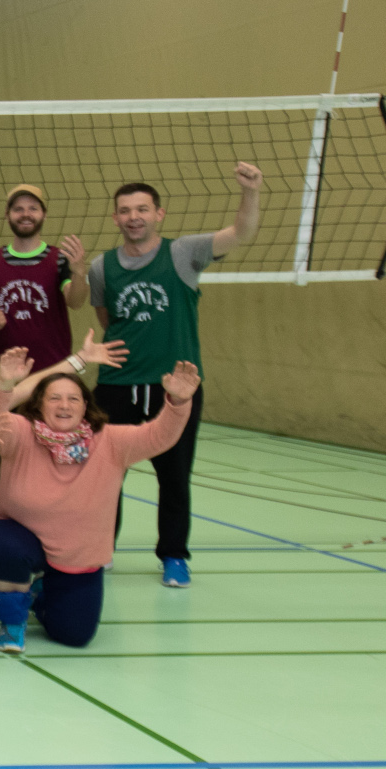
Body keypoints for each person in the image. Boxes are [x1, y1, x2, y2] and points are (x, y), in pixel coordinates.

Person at [89, 163, 261, 588]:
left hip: (175, 389)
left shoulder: (183, 253)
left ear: (158, 214)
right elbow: (109, 319)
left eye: (142, 209)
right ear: (115, 218)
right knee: (104, 473)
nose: (134, 217)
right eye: (126, 210)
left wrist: (251, 192)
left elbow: (240, 234)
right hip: (116, 387)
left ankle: (174, 556)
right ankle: (98, 548)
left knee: (174, 476)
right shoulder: (101, 267)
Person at [0, 348, 199, 650]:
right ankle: (12, 619)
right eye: (54, 398)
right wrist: (4, 385)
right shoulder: (20, 432)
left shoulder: (110, 441)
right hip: (21, 536)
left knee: (74, 636)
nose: (64, 405)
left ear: (85, 406)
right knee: (7, 546)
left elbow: (158, 436)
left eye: (73, 398)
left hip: (75, 554)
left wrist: (179, 402)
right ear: (39, 405)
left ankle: (42, 593)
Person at [0, 185, 91, 396]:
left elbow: (75, 301)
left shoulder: (59, 259)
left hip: (51, 372)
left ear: (44, 214)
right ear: (7, 215)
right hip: (1, 374)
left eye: (33, 208)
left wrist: (79, 272)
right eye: (18, 209)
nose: (26, 214)